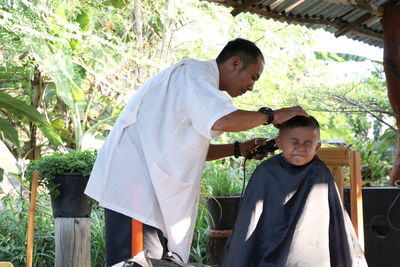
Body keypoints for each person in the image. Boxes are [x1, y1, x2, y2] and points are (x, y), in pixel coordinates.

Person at [84, 38, 308, 266]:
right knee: (134, 264)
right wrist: (272, 116)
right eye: (253, 77)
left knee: (155, 262)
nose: (251, 87)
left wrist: (237, 149)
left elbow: (190, 148)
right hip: (136, 192)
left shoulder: (196, 84)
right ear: (234, 63)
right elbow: (223, 120)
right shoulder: (193, 75)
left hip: (149, 193)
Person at [221, 115, 367, 267]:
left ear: (317, 147)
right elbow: (249, 223)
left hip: (308, 249)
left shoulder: (319, 173)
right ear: (279, 143)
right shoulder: (265, 172)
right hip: (265, 245)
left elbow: (316, 224)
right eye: (294, 142)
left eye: (308, 143)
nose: (300, 148)